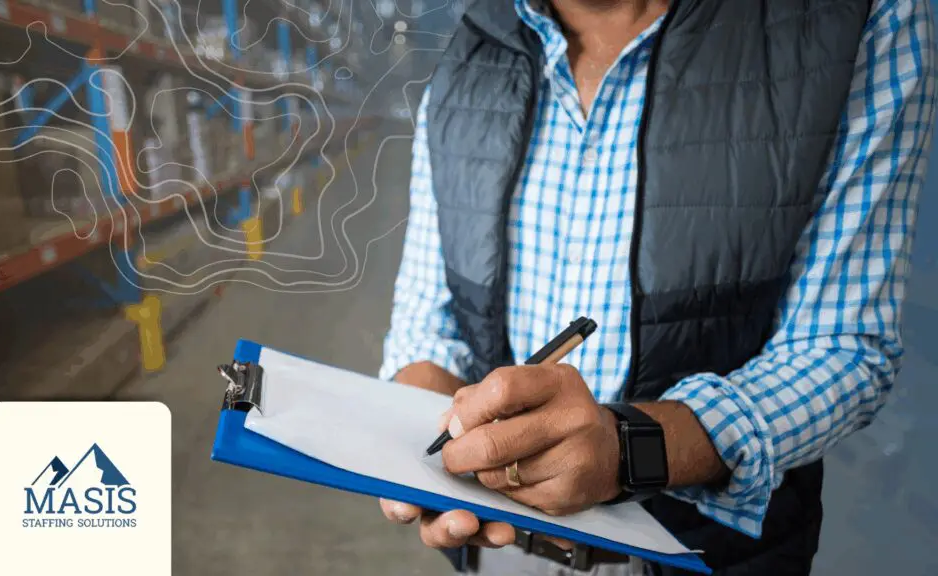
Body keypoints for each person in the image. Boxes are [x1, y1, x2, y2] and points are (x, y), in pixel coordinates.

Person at [376, 0, 937, 575]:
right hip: (497, 547)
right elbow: (429, 313)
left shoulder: (857, 19)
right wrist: (419, 427)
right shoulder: (473, 39)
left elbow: (842, 344)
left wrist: (628, 449)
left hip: (702, 555)